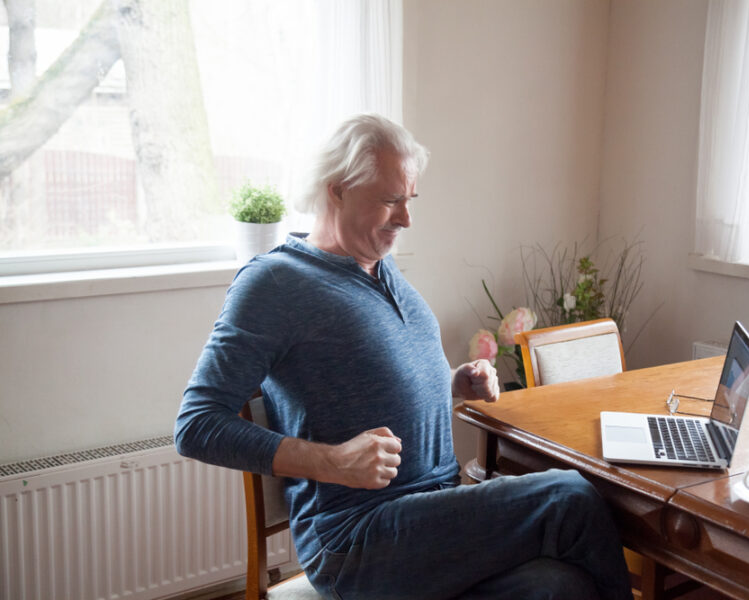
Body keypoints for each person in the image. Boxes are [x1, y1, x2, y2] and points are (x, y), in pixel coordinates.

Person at [175, 114, 632, 600]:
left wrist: (454, 381)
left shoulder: (382, 269)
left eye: (409, 200)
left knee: (562, 586)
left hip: (430, 516)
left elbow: (365, 379)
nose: (406, 218)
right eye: (391, 201)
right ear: (337, 190)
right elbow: (197, 425)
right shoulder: (274, 283)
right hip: (357, 537)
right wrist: (332, 462)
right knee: (569, 497)